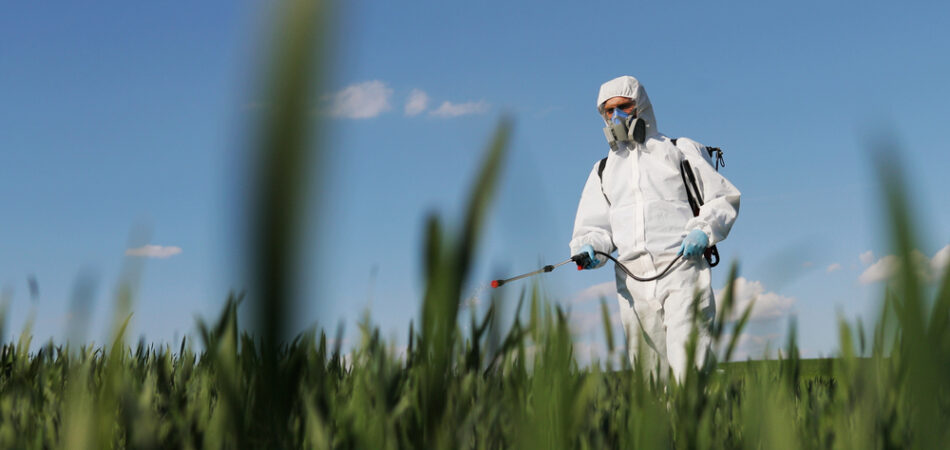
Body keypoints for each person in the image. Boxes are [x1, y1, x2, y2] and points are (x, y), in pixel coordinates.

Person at [570, 75, 740, 381]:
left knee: (688, 360)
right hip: (632, 278)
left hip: (681, 267)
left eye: (624, 106)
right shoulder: (604, 170)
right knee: (650, 369)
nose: (617, 116)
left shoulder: (677, 151)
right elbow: (595, 225)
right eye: (609, 111)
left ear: (642, 106)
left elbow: (722, 197)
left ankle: (698, 424)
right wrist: (590, 246)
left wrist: (704, 230)